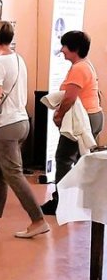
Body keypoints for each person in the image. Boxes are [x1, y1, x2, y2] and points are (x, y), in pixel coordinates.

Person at [0, 21, 49, 238]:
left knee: (13, 174)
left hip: (7, 124)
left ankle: (38, 219)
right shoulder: (18, 59)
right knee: (1, 172)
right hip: (21, 121)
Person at [41, 30, 103, 215]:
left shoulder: (79, 68)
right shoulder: (85, 65)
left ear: (74, 48)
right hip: (93, 116)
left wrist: (58, 115)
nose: (62, 50)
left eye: (65, 46)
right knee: (81, 160)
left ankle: (61, 201)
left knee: (63, 158)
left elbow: (69, 98)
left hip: (83, 119)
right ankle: (79, 200)